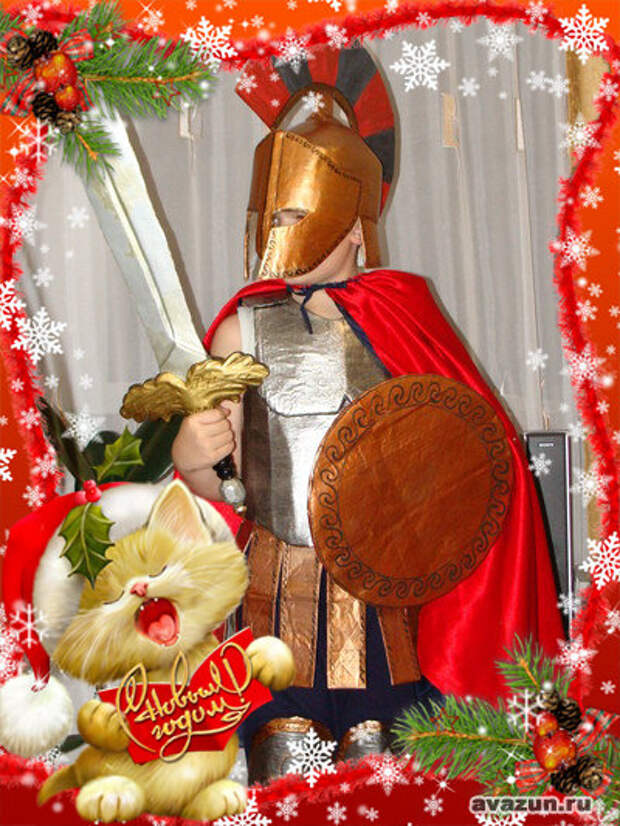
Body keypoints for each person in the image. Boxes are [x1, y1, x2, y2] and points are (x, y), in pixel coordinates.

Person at [172, 43, 564, 782]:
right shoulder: (240, 331)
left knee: (381, 771)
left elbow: (465, 458)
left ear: (355, 221)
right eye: (272, 212)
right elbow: (226, 488)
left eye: (297, 211)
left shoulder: (404, 317)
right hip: (274, 594)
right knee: (284, 769)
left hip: (386, 599)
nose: (279, 229)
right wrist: (195, 456)